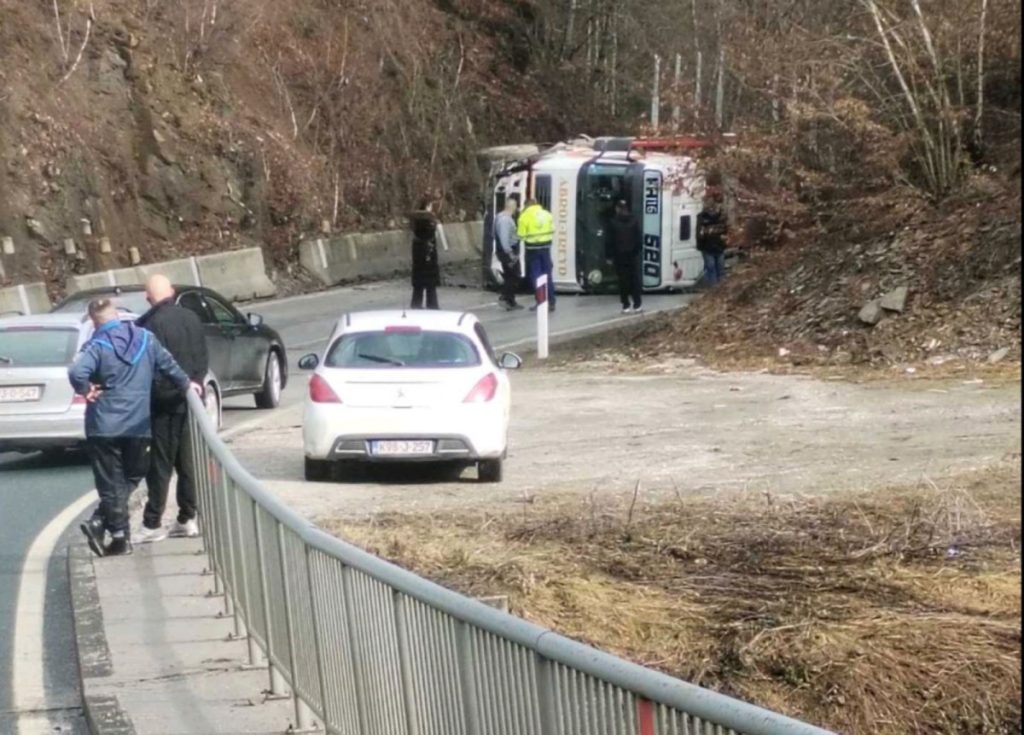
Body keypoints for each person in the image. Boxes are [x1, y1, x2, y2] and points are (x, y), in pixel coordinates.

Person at [70, 299, 195, 557]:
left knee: (110, 483)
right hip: (138, 424)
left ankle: (113, 531)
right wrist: (187, 386)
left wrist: (86, 390)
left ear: (94, 321)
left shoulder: (96, 345)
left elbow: (76, 372)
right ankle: (114, 533)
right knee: (134, 475)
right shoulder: (146, 339)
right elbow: (169, 366)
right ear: (116, 315)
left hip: (103, 425)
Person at [134, 275, 210, 543]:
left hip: (163, 402)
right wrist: (196, 384)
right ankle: (188, 517)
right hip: (192, 398)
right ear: (173, 292)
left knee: (160, 466)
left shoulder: (148, 325)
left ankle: (152, 522)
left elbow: (147, 367)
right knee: (187, 463)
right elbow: (202, 356)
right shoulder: (192, 318)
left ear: (147, 298)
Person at [517, 197, 556, 313]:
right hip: (546, 249)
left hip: (532, 250)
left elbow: (521, 235)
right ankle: (551, 301)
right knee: (548, 275)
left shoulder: (524, 217)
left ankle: (541, 302)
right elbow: (553, 229)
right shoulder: (547, 214)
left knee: (536, 277)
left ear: (526, 206)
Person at [609, 199, 643, 314]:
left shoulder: (613, 222)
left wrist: (609, 256)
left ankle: (625, 305)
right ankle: (637, 304)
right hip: (632, 255)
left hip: (619, 256)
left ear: (617, 209)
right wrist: (637, 251)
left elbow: (609, 242)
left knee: (623, 280)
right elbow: (639, 238)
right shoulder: (634, 220)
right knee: (634, 279)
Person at [408, 198, 441, 310]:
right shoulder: (428, 223)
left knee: (418, 287)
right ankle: (432, 306)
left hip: (418, 262)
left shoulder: (415, 224)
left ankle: (416, 306)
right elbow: (431, 235)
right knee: (431, 288)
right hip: (429, 260)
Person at [494, 197, 523, 310]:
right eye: (516, 206)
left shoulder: (500, 217)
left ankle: (509, 300)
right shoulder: (505, 220)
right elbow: (504, 239)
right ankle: (506, 298)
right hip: (508, 251)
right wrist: (510, 253)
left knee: (510, 275)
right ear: (513, 206)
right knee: (514, 275)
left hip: (505, 251)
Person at [697, 190, 729, 286]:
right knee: (712, 269)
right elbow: (699, 233)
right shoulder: (702, 217)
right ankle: (714, 289)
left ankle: (719, 289)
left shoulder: (722, 217)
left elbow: (725, 230)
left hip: (718, 246)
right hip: (708, 247)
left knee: (718, 269)